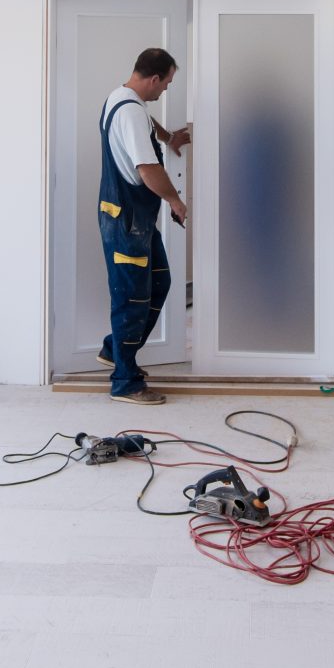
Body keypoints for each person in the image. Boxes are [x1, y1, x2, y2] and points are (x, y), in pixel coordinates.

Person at [96, 46, 192, 403]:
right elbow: (148, 170)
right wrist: (175, 199)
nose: (164, 90)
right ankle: (125, 381)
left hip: (130, 218)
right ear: (153, 78)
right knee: (132, 297)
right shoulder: (132, 112)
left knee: (159, 282)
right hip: (127, 220)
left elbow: (144, 124)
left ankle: (113, 350)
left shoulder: (121, 99)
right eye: (165, 84)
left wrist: (168, 138)